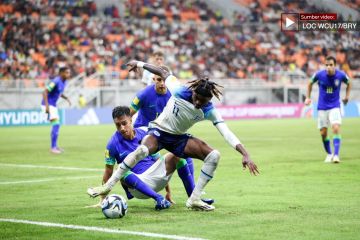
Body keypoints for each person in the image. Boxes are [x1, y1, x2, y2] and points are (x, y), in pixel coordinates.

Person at [88, 60, 259, 211]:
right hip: (159, 131)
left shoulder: (209, 110)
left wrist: (245, 153)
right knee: (141, 150)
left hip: (178, 138)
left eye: (203, 101)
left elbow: (226, 132)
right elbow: (163, 72)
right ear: (193, 91)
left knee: (214, 155)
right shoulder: (178, 89)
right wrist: (139, 64)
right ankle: (108, 185)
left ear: (209, 100)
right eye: (197, 98)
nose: (198, 103)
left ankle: (194, 199)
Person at [88, 106, 204, 210]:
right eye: (118, 125)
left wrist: (168, 192)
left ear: (131, 120)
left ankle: (193, 198)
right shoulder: (112, 144)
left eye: (124, 123)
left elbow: (156, 160)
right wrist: (102, 200)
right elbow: (108, 172)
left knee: (178, 155)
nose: (122, 128)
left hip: (157, 177)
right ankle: (158, 198)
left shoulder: (145, 132)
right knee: (121, 170)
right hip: (138, 188)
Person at [130, 68, 196, 180]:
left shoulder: (174, 93)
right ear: (153, 79)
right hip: (144, 131)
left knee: (185, 154)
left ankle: (193, 192)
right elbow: (129, 114)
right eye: (159, 80)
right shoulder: (143, 94)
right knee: (153, 162)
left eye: (164, 80)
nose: (162, 83)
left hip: (163, 130)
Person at [305, 56, 351, 163]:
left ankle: (336, 155)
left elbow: (349, 83)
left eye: (331, 65)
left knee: (335, 127)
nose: (328, 67)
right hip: (322, 107)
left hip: (334, 106)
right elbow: (310, 82)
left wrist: (347, 96)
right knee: (323, 133)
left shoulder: (341, 75)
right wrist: (308, 97)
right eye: (326, 65)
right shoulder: (319, 75)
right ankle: (329, 154)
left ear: (335, 65)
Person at [41, 67, 71, 154]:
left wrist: (66, 98)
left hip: (53, 106)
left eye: (69, 73)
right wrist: (47, 106)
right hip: (47, 105)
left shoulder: (64, 82)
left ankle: (54, 146)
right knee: (56, 124)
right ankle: (53, 148)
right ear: (61, 73)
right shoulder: (56, 81)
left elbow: (59, 92)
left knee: (56, 125)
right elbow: (45, 92)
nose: (68, 75)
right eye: (66, 73)